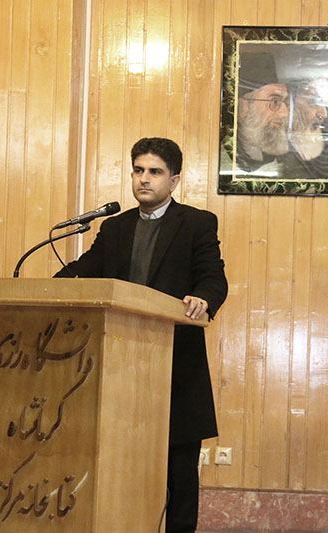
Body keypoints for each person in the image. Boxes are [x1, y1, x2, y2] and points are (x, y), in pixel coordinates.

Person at [55, 137, 228, 532]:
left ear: (174, 180)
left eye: (154, 172)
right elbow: (85, 270)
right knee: (117, 467)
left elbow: (213, 277)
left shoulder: (197, 223)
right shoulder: (115, 227)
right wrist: (49, 289)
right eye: (138, 170)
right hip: (117, 368)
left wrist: (202, 297)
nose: (144, 179)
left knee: (179, 475)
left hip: (174, 366)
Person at [234, 52, 290, 175]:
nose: (285, 113)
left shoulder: (282, 159)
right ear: (243, 106)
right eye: (275, 101)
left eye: (286, 102)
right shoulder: (219, 155)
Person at [284, 77, 328, 180]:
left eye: (325, 103)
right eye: (313, 102)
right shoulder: (273, 139)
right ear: (290, 103)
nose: (324, 114)